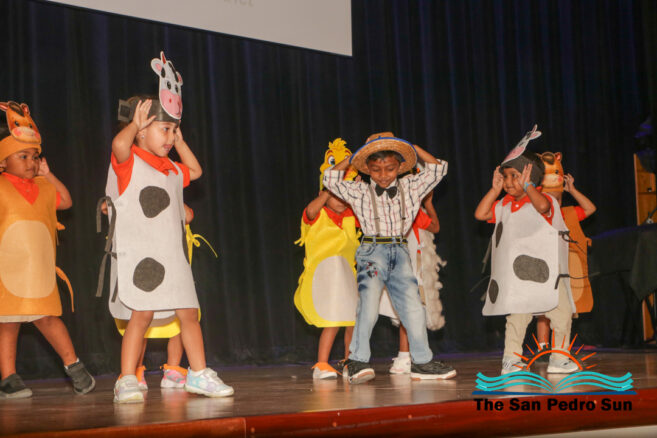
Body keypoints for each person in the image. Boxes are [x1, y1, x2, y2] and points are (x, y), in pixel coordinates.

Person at [103, 51, 232, 403]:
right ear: (141, 131)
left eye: (174, 130)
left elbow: (197, 171)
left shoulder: (172, 169)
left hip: (173, 257)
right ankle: (127, 378)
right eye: (165, 129)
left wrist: (180, 140)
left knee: (189, 313)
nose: (171, 137)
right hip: (142, 256)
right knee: (141, 315)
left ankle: (199, 373)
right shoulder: (130, 162)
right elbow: (119, 144)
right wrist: (134, 124)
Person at [323, 132, 456, 383]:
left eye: (390, 168)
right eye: (376, 170)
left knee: (414, 308)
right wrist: (353, 158)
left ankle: (422, 362)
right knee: (368, 308)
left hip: (400, 251)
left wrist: (411, 147)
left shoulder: (411, 186)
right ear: (367, 170)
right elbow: (330, 178)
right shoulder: (359, 191)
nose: (383, 175)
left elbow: (439, 169)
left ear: (400, 166)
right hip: (372, 252)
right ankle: (356, 361)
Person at [0, 101, 95, 398]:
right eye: (23, 156)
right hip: (6, 272)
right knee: (7, 324)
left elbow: (66, 201)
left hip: (38, 273)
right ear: (2, 161)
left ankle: (74, 366)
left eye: (35, 156)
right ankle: (9, 378)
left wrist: (48, 174)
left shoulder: (43, 187)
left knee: (48, 318)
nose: (31, 162)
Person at [474, 126, 577, 375]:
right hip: (519, 275)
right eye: (505, 176)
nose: (509, 182)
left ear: (531, 177)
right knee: (517, 316)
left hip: (547, 274)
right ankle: (511, 359)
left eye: (514, 176)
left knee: (561, 314)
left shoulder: (546, 199)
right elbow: (481, 214)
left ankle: (559, 358)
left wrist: (529, 185)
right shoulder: (504, 204)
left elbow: (542, 208)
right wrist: (494, 190)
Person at [294, 138, 358, 379]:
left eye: (345, 196)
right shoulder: (316, 214)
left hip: (347, 275)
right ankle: (321, 364)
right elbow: (311, 210)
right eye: (336, 196)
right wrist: (329, 189)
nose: (341, 201)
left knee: (352, 320)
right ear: (324, 193)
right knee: (333, 320)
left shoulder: (352, 217)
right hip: (325, 276)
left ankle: (350, 361)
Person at [534, 151, 596, 356]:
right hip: (544, 267)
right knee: (543, 310)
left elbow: (590, 209)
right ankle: (542, 349)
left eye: (557, 198)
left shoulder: (568, 213)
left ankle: (559, 349)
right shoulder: (538, 213)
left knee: (563, 309)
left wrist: (573, 190)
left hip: (563, 269)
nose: (554, 201)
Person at [381, 191, 446, 374]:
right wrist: (428, 204)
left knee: (411, 312)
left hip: (406, 266)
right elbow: (435, 227)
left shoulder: (406, 209)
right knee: (411, 312)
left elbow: (432, 228)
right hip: (409, 267)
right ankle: (405, 357)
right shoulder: (410, 210)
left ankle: (407, 356)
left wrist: (428, 204)